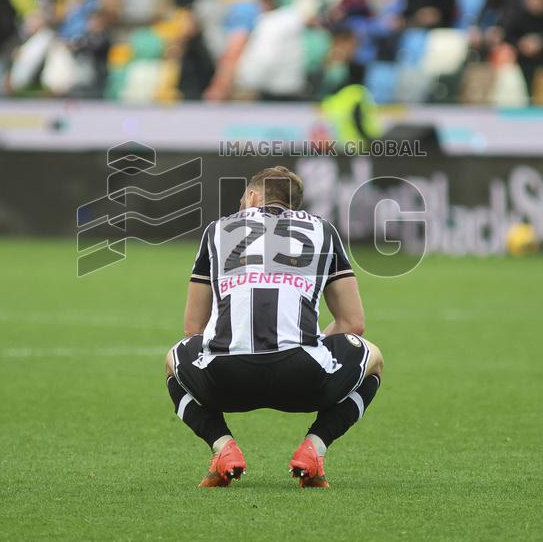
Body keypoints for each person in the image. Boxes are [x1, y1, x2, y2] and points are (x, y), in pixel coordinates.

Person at [164, 166, 384, 488]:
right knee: (374, 358)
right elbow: (354, 323)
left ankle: (223, 446)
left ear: (252, 196)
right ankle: (315, 448)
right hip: (303, 377)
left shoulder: (216, 230)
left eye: (242, 200)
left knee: (172, 361)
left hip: (226, 377)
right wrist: (308, 345)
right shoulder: (324, 230)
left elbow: (192, 328)